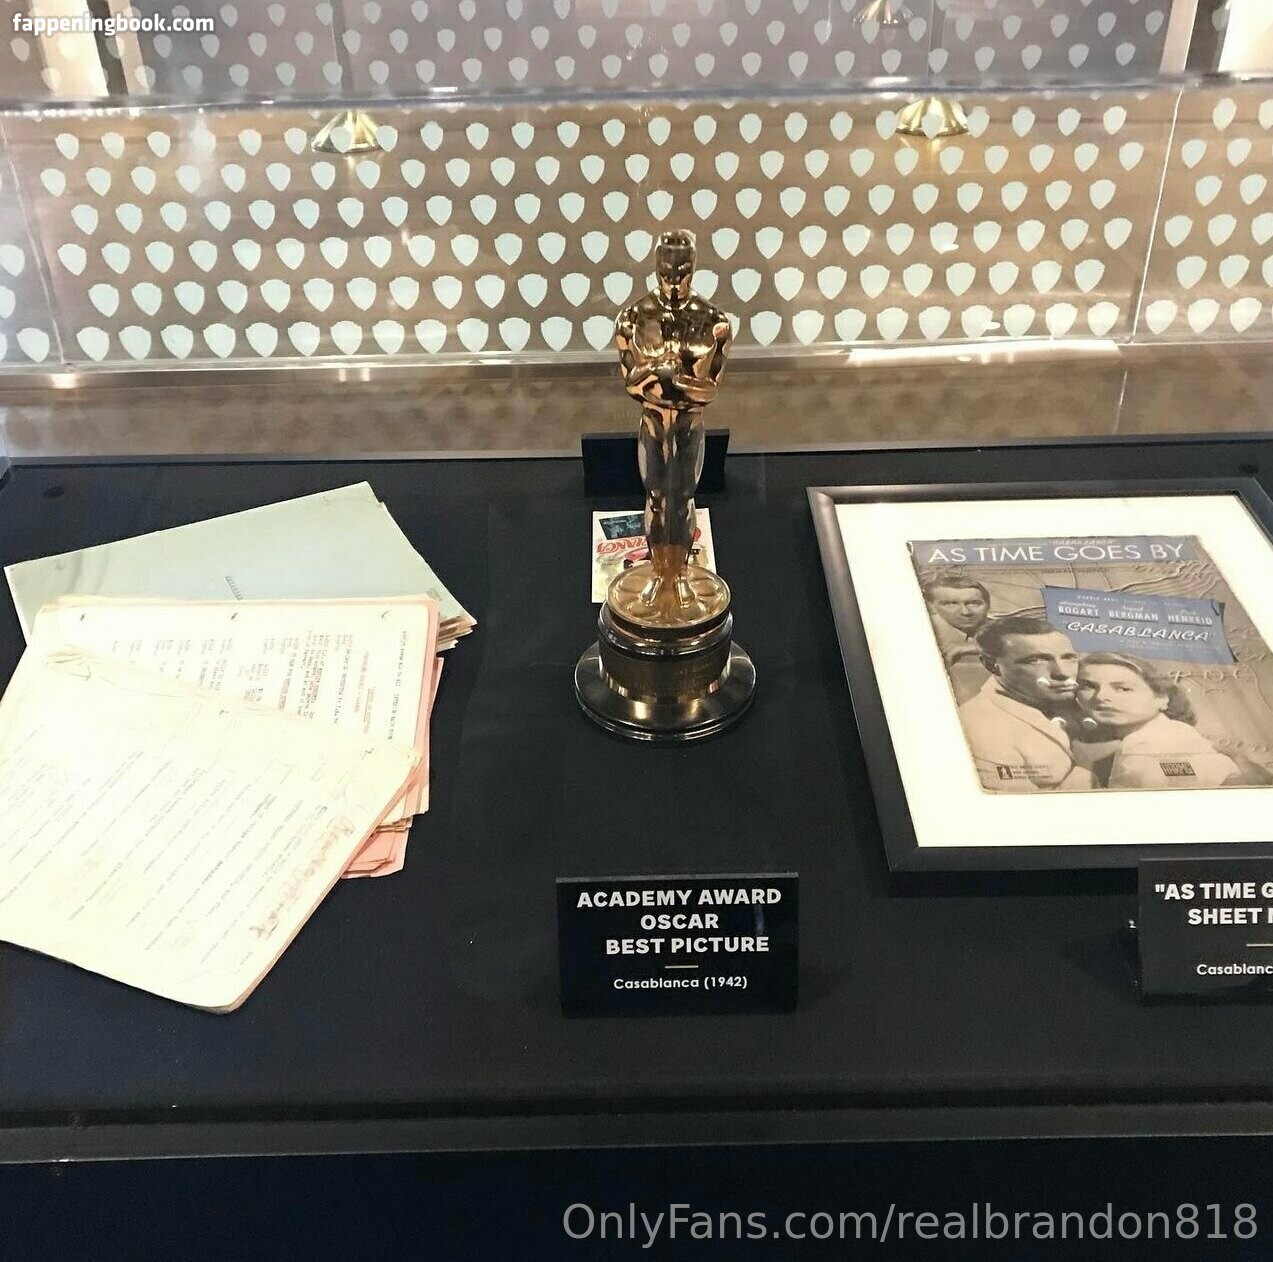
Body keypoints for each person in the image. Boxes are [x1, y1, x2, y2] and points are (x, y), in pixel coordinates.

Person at [957, 616, 1095, 791]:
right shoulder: (978, 730)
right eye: (1036, 660)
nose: (1062, 673)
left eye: (1069, 658)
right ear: (991, 665)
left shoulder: (1082, 696)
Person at [1073, 652, 1242, 788]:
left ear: (1162, 697)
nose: (1101, 697)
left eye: (1123, 689)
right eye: (1089, 686)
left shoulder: (1155, 742)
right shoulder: (1171, 735)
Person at [921, 572, 991, 703]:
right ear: (931, 607)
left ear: (988, 605)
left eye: (974, 603)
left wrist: (974, 647)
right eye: (951, 604)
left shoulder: (1003, 628)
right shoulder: (922, 634)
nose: (965, 612)